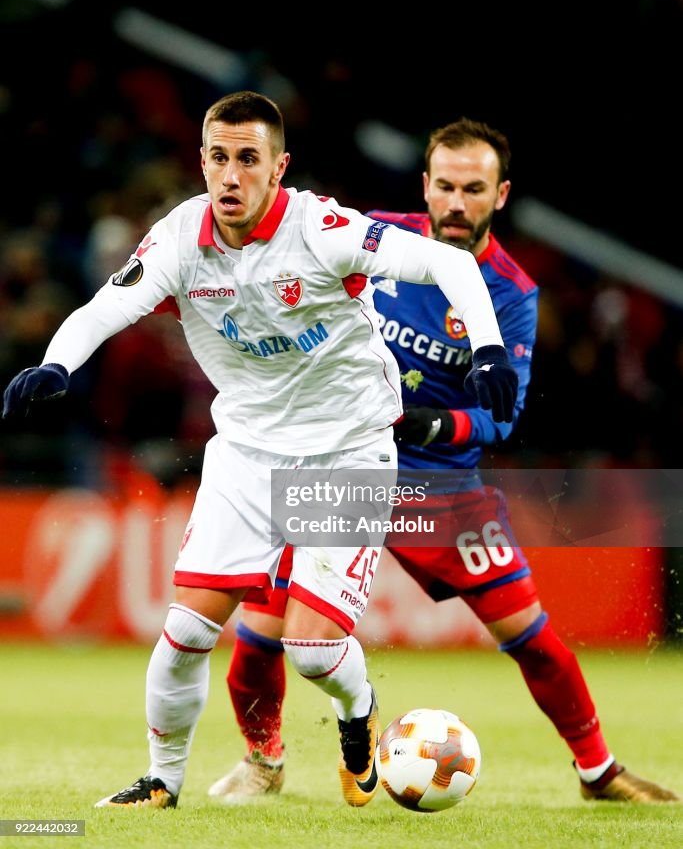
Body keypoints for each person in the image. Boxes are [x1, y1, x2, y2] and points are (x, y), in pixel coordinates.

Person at [1, 92, 519, 810]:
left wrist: (488, 351)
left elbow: (449, 266)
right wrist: (56, 365)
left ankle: (357, 711)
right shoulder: (181, 238)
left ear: (279, 167)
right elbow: (103, 309)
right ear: (202, 162)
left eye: (248, 159)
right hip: (246, 453)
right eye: (218, 157)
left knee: (309, 652)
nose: (231, 175)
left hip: (346, 451)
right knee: (183, 632)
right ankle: (162, 782)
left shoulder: (323, 229)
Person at [208, 116, 679, 806]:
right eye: (446, 187)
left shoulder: (511, 292)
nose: (457, 203)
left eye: (474, 189)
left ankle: (598, 772)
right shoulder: (374, 237)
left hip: (439, 487)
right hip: (339, 469)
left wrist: (424, 419)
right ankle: (263, 760)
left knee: (529, 634)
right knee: (256, 632)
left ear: (501, 194)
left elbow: (502, 416)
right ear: (424, 186)